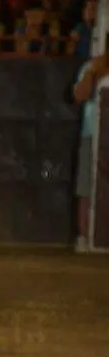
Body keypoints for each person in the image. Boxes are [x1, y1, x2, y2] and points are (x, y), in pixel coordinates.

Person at [71, 49, 109, 253]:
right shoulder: (90, 67)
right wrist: (91, 73)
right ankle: (83, 236)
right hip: (91, 132)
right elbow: (79, 96)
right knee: (85, 187)